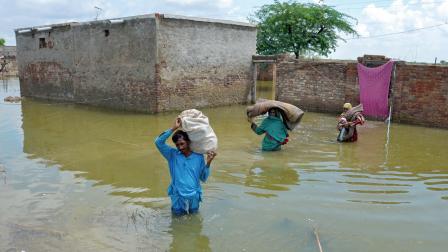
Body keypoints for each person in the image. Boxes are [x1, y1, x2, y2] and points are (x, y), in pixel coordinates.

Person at [155, 118, 217, 215]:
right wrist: (173, 128)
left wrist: (208, 163)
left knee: (194, 219)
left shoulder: (198, 157)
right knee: (177, 220)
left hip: (194, 195)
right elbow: (158, 142)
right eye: (177, 145)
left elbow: (203, 178)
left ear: (188, 142)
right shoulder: (172, 155)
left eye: (182, 143)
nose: (180, 147)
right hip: (177, 195)